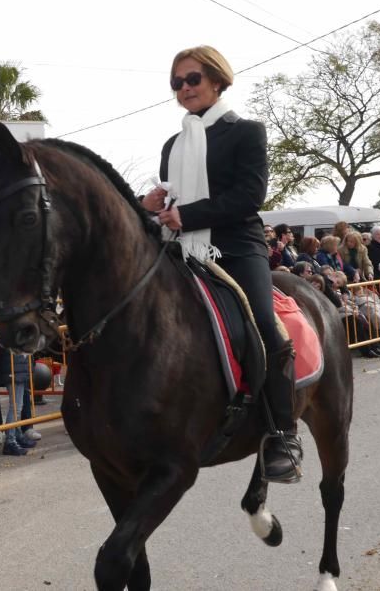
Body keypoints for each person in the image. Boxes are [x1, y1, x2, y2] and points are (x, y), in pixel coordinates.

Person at [141, 45, 301, 483]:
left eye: (192, 79)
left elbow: (250, 196)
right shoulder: (172, 144)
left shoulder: (246, 132)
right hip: (180, 248)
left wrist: (188, 215)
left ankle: (282, 433)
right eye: (177, 83)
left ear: (216, 80)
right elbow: (171, 201)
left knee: (266, 329)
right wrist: (152, 204)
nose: (185, 88)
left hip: (235, 247)